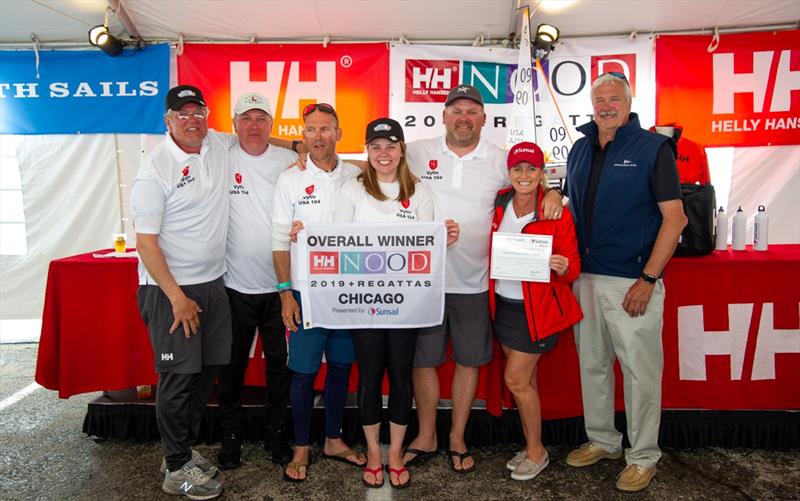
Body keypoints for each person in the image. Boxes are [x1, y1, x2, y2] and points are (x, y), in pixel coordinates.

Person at [402, 84, 563, 473]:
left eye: (472, 111)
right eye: (455, 110)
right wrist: (301, 152)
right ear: (443, 116)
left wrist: (553, 190)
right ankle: (427, 435)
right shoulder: (418, 151)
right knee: (423, 362)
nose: (463, 117)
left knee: (469, 361)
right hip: (425, 280)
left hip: (476, 282)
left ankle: (457, 436)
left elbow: (529, 178)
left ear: (484, 119)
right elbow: (374, 165)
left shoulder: (498, 158)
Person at [563, 71, 687, 492]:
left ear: (629, 102)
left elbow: (676, 219)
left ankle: (643, 456)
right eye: (600, 99)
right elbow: (571, 204)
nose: (606, 106)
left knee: (640, 373)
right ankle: (603, 439)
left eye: (614, 98)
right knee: (592, 365)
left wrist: (649, 278)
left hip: (632, 282)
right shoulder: (579, 148)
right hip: (586, 279)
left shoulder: (653, 148)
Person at [333, 118, 459, 489]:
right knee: (371, 377)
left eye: (390, 146)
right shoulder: (352, 189)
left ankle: (395, 453)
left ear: (402, 150)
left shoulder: (419, 192)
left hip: (406, 305)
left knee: (401, 377)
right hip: (364, 304)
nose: (383, 153)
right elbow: (339, 243)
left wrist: (446, 237)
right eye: (375, 147)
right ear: (367, 152)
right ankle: (374, 453)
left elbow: (430, 249)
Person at [132, 85, 234, 500]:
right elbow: (145, 243)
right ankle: (176, 470)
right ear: (168, 120)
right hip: (171, 291)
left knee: (206, 372)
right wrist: (176, 296)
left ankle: (181, 452)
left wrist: (297, 144)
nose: (192, 121)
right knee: (177, 379)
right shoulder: (154, 169)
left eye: (199, 113)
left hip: (212, 283)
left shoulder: (215, 143)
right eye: (183, 114)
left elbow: (254, 135)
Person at [271, 103, 366, 482]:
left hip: (345, 292)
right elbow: (279, 241)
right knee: (303, 373)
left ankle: (333, 439)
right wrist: (284, 293)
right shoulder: (289, 180)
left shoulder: (358, 176)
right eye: (310, 130)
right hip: (304, 293)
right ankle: (300, 447)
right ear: (303, 136)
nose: (318, 136)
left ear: (339, 134)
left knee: (342, 366)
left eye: (326, 129)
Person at [488, 142, 582, 481]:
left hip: (538, 310)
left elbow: (573, 267)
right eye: (518, 169)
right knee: (525, 380)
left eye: (532, 169)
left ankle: (536, 451)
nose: (524, 175)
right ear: (509, 173)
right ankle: (532, 444)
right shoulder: (499, 203)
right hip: (505, 306)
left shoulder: (556, 210)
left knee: (515, 379)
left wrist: (562, 266)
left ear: (542, 173)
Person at [216, 92, 298, 469]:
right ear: (234, 125)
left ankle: (276, 433)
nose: (253, 126)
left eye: (261, 119)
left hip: (281, 288)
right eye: (246, 119)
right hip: (234, 287)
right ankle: (229, 435)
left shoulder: (288, 161)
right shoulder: (221, 154)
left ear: (271, 124)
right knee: (231, 367)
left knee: (280, 367)